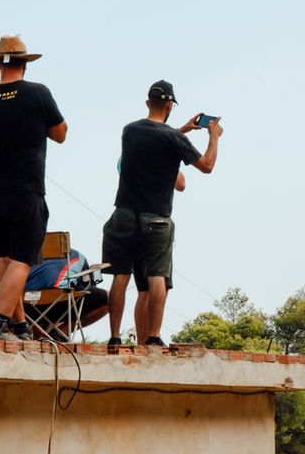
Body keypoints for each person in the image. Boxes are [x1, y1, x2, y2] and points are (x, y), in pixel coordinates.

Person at [0, 34, 68, 342]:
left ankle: (20, 325)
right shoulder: (39, 94)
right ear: (25, 64)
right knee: (22, 260)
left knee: (3, 259)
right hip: (26, 191)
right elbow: (60, 134)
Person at [102, 80, 221, 348]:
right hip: (156, 219)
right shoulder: (174, 139)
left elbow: (155, 139)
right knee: (157, 278)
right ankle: (153, 337)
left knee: (120, 277)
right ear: (169, 106)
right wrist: (213, 136)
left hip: (123, 215)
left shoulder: (129, 131)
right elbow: (207, 166)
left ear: (148, 103)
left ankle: (115, 337)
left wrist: (184, 129)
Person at [23, 247, 108, 341]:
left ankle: (25, 328)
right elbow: (84, 285)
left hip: (26, 304)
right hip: (60, 299)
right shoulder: (77, 256)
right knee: (109, 298)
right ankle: (60, 333)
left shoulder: (29, 250)